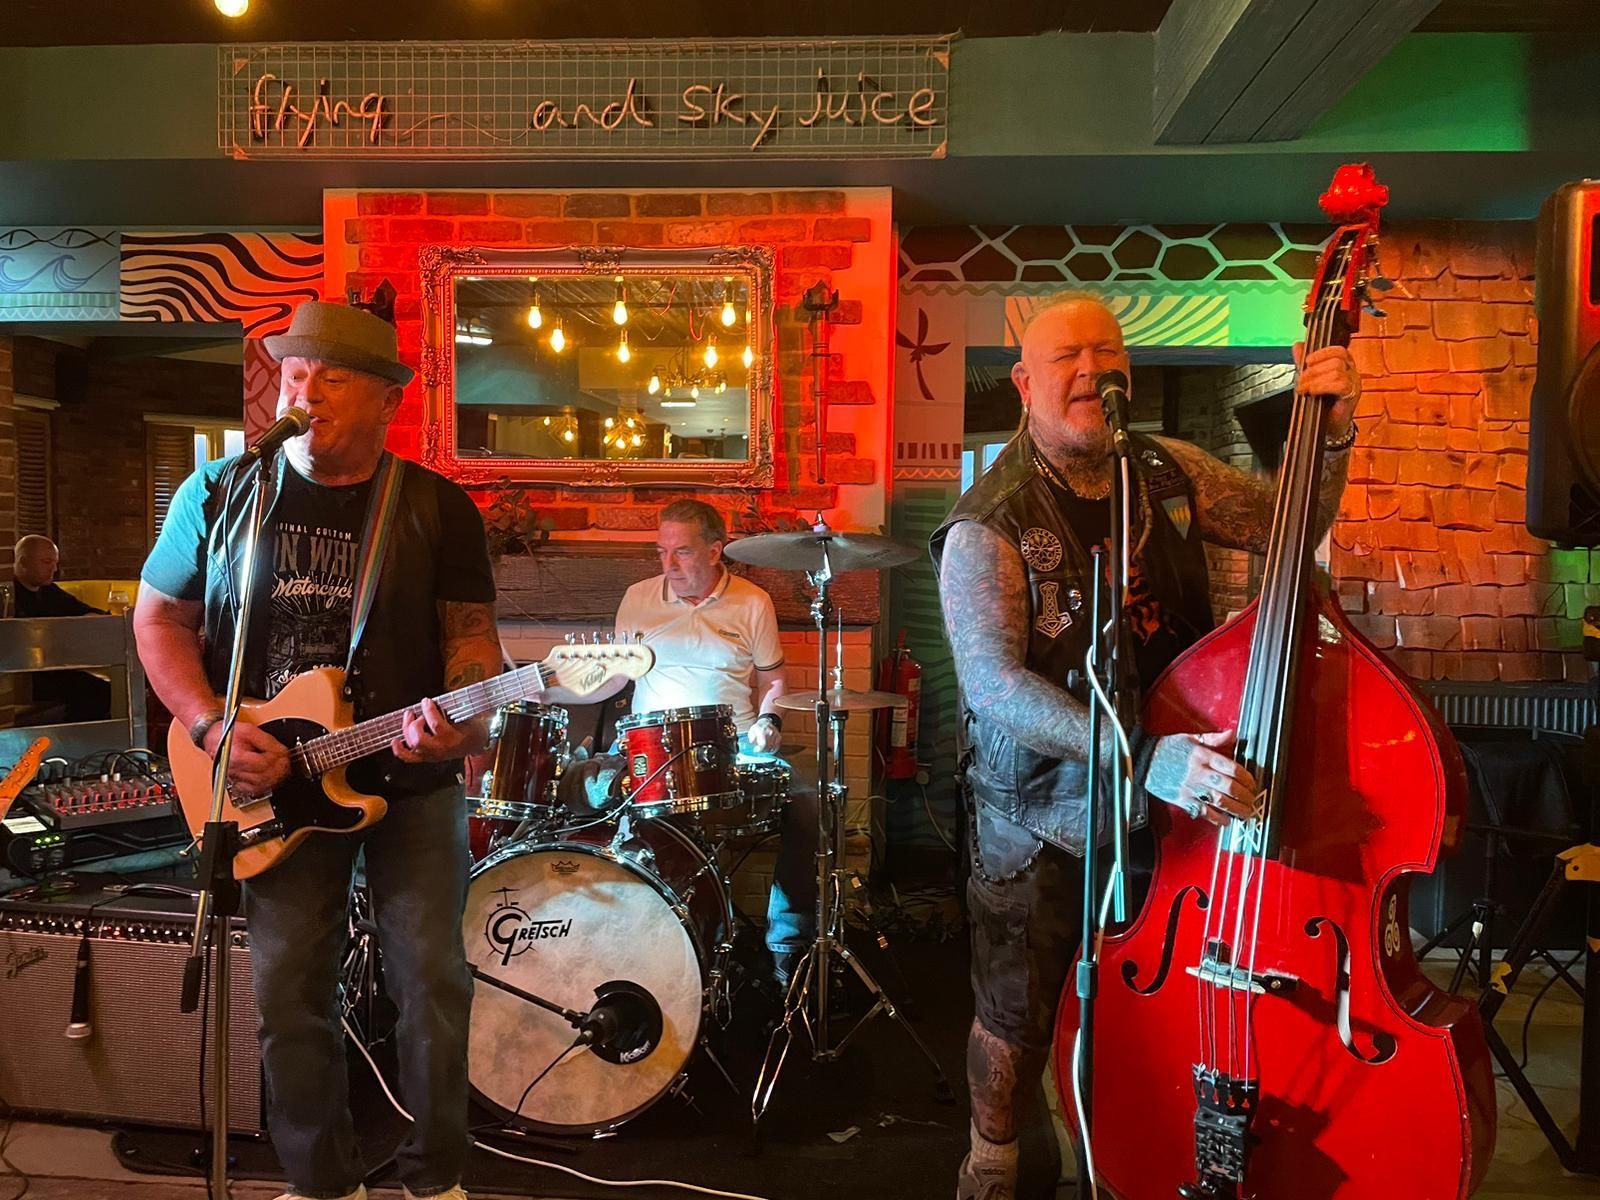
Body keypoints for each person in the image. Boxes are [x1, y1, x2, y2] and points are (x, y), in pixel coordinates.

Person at [930, 294, 1361, 1200]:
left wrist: (1330, 434)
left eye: (1107, 351)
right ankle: (991, 1161)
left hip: (1170, 797)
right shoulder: (988, 520)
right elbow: (994, 688)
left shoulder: (1168, 471)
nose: (1093, 370)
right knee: (1014, 1014)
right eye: (1067, 357)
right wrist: (1140, 753)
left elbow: (1292, 529)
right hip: (1039, 811)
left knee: (1163, 999)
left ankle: (1137, 1152)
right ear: (1025, 383)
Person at [134, 300, 500, 1200]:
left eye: (333, 378)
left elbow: (471, 640)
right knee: (290, 993)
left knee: (432, 984)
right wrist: (211, 726)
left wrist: (468, 720)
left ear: (387, 402)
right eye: (295, 375)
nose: (306, 393)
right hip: (267, 783)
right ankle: (320, 1182)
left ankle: (436, 1181)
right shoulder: (220, 493)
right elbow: (159, 620)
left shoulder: (435, 507)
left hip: (408, 779)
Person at [555, 499, 815, 987]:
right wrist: (552, 690)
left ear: (715, 551)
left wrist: (769, 720)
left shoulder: (753, 602)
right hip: (652, 750)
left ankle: (788, 949)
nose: (669, 565)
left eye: (682, 552)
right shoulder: (638, 598)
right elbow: (614, 679)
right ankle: (642, 945)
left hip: (733, 748)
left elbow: (773, 678)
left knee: (806, 806)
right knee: (583, 791)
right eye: (661, 552)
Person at [8, 535, 112, 721]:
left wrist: (112, 619)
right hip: (24, 679)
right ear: (23, 562)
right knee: (95, 690)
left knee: (101, 688)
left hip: (52, 668)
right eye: (47, 562)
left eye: (55, 563)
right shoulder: (10, 596)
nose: (54, 569)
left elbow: (83, 610)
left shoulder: (49, 590)